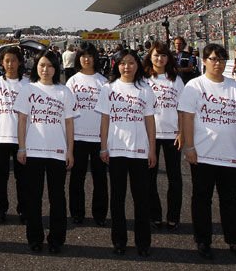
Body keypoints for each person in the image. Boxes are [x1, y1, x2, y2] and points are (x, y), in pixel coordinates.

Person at [178, 43, 236, 261]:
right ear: (203, 61)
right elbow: (187, 118)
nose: (217, 63)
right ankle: (203, 240)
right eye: (212, 59)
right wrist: (189, 147)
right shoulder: (194, 86)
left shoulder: (235, 87)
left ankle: (234, 241)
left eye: (221, 59)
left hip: (230, 154)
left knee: (230, 200)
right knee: (202, 199)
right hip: (203, 154)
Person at [95, 47, 156, 257]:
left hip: (139, 151)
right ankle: (119, 241)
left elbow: (150, 121)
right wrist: (103, 147)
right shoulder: (108, 88)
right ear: (116, 65)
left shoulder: (145, 89)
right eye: (122, 63)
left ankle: (143, 242)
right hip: (116, 150)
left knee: (141, 199)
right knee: (117, 199)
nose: (127, 67)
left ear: (137, 65)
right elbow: (104, 120)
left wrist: (153, 150)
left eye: (131, 62)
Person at [15, 49, 77, 254]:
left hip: (57, 152)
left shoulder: (64, 92)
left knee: (57, 198)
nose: (46, 69)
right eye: (42, 65)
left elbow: (69, 124)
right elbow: (22, 121)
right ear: (36, 67)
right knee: (33, 198)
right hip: (33, 151)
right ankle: (35, 238)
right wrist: (21, 147)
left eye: (50, 66)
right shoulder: (28, 90)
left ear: (56, 68)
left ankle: (56, 239)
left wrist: (70, 151)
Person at [65, 44, 108, 226]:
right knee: (77, 178)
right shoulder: (72, 81)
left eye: (90, 56)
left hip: (99, 138)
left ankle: (100, 215)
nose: (86, 59)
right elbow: (66, 113)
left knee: (100, 179)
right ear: (78, 58)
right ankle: (77, 213)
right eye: (83, 56)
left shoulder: (104, 82)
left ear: (95, 58)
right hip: (78, 137)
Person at [145, 41, 184, 231]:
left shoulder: (175, 79)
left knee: (174, 177)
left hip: (172, 135)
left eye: (163, 55)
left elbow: (183, 109)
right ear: (150, 57)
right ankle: (154, 214)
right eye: (156, 55)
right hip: (149, 135)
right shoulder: (143, 79)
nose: (159, 59)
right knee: (149, 177)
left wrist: (182, 132)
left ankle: (173, 216)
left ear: (168, 58)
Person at [0, 45, 28, 223]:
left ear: (19, 62)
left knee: (22, 178)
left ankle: (23, 210)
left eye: (13, 60)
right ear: (2, 63)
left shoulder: (27, 84)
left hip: (22, 138)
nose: (10, 64)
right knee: (1, 176)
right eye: (7, 61)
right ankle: (2, 209)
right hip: (2, 136)